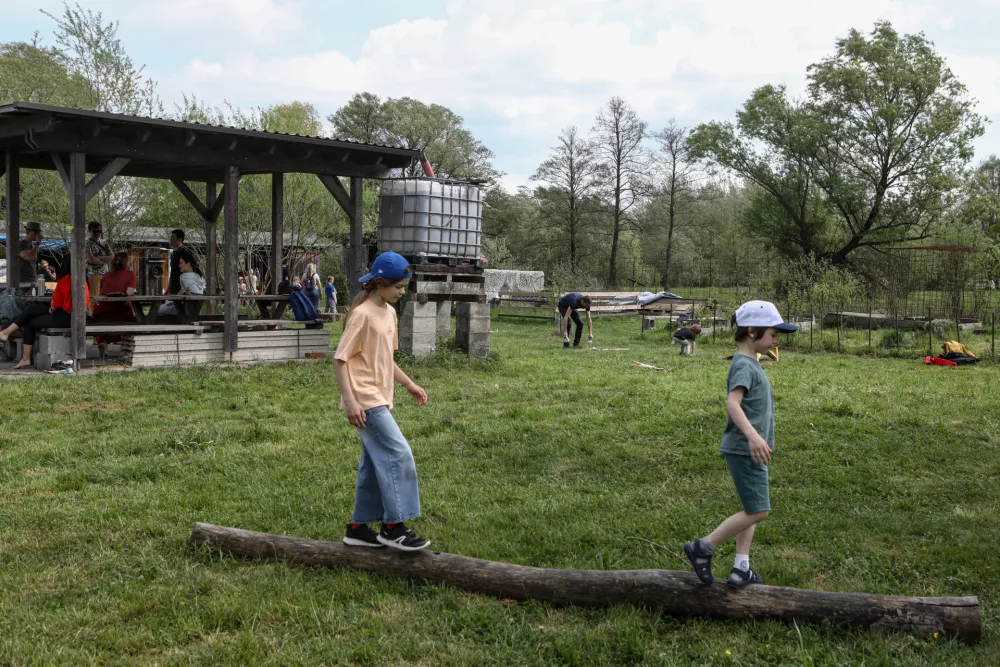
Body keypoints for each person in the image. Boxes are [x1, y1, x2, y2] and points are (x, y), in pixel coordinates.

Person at [683, 301, 798, 589]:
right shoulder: (744, 366)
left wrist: (760, 350)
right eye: (772, 334)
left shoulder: (749, 360)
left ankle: (741, 568)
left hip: (751, 448)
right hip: (746, 447)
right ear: (751, 331)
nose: (776, 340)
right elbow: (732, 404)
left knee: (752, 506)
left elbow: (752, 357)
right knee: (759, 511)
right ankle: (702, 548)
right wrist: (754, 437)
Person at [334, 251, 430, 551]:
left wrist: (409, 384)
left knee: (374, 465)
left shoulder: (388, 313)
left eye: (404, 287)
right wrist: (350, 402)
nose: (402, 292)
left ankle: (358, 528)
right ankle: (393, 526)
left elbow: (386, 359)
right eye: (398, 287)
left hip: (381, 397)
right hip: (364, 399)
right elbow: (340, 360)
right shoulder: (362, 315)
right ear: (379, 283)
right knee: (399, 453)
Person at [0, 259, 89, 369]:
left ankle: (24, 357)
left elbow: (55, 304)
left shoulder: (65, 280)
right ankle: (6, 334)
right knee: (31, 309)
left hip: (64, 318)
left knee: (28, 322)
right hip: (75, 317)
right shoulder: (83, 281)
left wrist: (53, 307)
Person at [93, 252, 137, 354]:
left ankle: (104, 341)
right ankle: (125, 345)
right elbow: (129, 293)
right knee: (131, 318)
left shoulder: (106, 275)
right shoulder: (130, 274)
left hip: (103, 310)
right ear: (126, 262)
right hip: (121, 310)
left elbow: (102, 292)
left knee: (106, 321)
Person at [85, 221, 113, 314]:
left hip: (105, 272)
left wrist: (99, 258)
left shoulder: (104, 242)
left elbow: (112, 256)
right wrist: (105, 261)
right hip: (94, 273)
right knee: (94, 294)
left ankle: (103, 312)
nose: (97, 233)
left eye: (99, 231)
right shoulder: (87, 243)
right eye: (94, 231)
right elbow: (91, 260)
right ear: (89, 231)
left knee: (105, 294)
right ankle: (92, 313)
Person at [166, 229, 199, 295]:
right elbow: (172, 274)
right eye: (171, 237)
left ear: (180, 239)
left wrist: (186, 290)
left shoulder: (187, 254)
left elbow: (196, 273)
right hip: (174, 292)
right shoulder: (173, 255)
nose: (171, 239)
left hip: (184, 293)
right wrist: (167, 291)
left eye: (173, 237)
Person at [16, 222, 43, 290]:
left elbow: (34, 259)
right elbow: (30, 257)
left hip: (31, 281)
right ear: (28, 232)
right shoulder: (20, 245)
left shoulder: (31, 246)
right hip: (23, 283)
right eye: (36, 233)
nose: (38, 235)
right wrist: (37, 243)